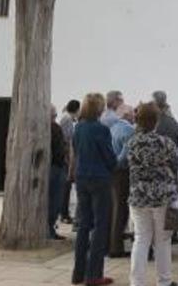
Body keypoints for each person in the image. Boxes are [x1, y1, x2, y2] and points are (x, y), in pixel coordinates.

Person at [126, 102, 178, 286]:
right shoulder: (166, 143)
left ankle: (136, 282)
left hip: (138, 196)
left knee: (141, 239)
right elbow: (176, 165)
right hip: (163, 197)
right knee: (163, 241)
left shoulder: (131, 143)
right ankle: (164, 281)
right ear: (156, 121)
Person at [72, 93, 117, 286]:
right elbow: (109, 156)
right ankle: (94, 274)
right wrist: (113, 165)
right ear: (99, 109)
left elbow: (75, 151)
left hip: (81, 177)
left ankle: (78, 273)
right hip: (99, 179)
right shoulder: (101, 129)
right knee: (100, 226)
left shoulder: (78, 128)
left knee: (83, 224)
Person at [108, 95, 136, 258]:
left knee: (115, 207)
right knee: (121, 210)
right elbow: (125, 155)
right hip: (122, 173)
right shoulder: (129, 130)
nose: (134, 116)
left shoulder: (113, 128)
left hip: (112, 173)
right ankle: (116, 247)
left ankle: (113, 243)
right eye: (132, 113)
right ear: (126, 115)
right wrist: (117, 164)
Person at [49, 105, 69, 240]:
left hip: (50, 167)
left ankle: (49, 228)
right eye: (54, 115)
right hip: (56, 167)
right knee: (55, 200)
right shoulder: (55, 128)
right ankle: (49, 229)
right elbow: (60, 150)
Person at [59, 99, 81, 224]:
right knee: (66, 187)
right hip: (67, 156)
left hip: (68, 155)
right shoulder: (67, 119)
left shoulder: (67, 118)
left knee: (67, 187)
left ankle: (64, 212)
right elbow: (68, 138)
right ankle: (64, 213)